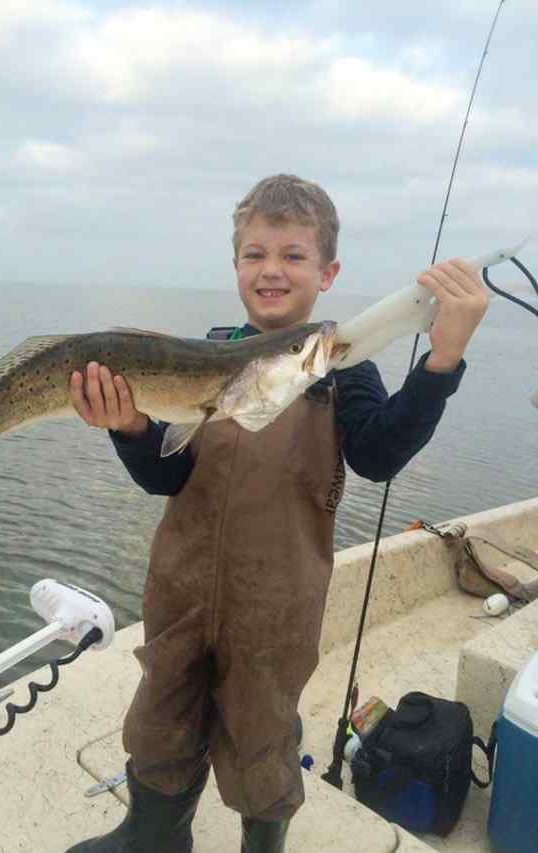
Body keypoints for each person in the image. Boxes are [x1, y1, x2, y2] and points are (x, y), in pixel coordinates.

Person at [65, 174, 489, 853]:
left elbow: (378, 453)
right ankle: (153, 836)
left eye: (293, 255)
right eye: (255, 253)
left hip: (276, 606)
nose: (271, 270)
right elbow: (165, 473)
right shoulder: (203, 352)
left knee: (262, 740)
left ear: (328, 272)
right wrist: (131, 428)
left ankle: (264, 845)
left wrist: (442, 360)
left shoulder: (340, 363)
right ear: (235, 264)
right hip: (178, 589)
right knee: (158, 719)